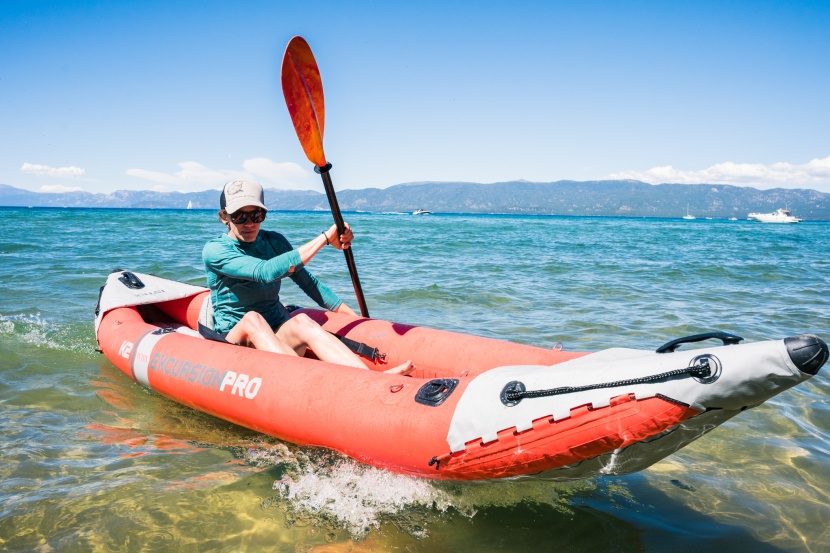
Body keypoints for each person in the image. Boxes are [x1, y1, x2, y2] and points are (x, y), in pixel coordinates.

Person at [202, 179, 413, 375]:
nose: (249, 223)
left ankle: (370, 379)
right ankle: (304, 381)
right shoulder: (216, 250)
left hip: (278, 337)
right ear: (224, 217)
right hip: (236, 342)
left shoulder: (274, 242)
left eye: (256, 215)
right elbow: (265, 272)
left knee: (302, 320)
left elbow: (309, 284)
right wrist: (325, 239)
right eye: (239, 216)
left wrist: (358, 320)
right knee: (252, 319)